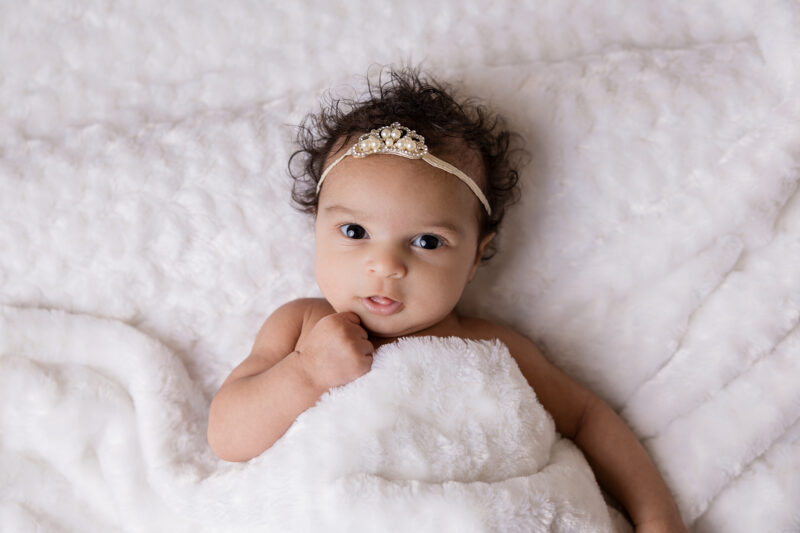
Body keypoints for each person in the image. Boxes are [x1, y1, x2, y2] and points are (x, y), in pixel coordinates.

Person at [207, 66, 687, 532]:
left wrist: (656, 517)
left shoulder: (492, 349)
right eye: (355, 231)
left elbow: (586, 419)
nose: (387, 265)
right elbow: (228, 436)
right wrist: (306, 373)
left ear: (476, 256)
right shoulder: (302, 326)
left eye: (427, 242)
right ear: (317, 228)